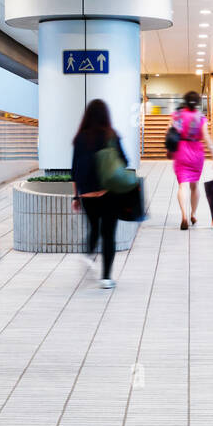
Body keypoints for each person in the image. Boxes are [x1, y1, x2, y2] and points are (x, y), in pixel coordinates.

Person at [72, 98, 128, 289]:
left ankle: (87, 254)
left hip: (87, 194)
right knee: (109, 234)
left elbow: (74, 171)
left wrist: (76, 196)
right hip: (109, 192)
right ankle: (106, 278)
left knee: (94, 228)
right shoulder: (112, 135)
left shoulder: (80, 138)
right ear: (106, 116)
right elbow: (125, 162)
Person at [171, 90, 213, 229]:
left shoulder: (177, 115)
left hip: (181, 151)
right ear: (198, 103)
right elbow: (206, 138)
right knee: (194, 186)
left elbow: (169, 132)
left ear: (185, 101)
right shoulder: (200, 117)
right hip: (196, 153)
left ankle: (184, 216)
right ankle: (193, 214)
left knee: (182, 185)